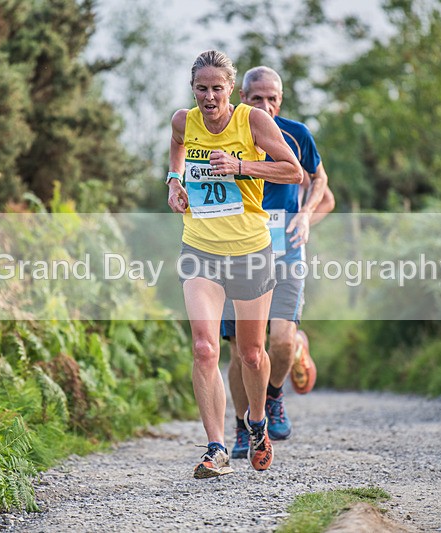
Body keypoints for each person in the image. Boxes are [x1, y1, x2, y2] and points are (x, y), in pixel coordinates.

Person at [166, 51, 303, 478]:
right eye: (201, 89)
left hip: (250, 249)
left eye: (216, 89)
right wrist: (174, 182)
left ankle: (257, 423)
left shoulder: (252, 121)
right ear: (193, 89)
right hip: (200, 248)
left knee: (251, 352)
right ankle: (216, 448)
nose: (209, 96)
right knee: (205, 347)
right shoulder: (182, 121)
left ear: (230, 89)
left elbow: (293, 171)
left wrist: (241, 166)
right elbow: (176, 149)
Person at [221, 66, 335, 459]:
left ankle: (271, 396)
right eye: (257, 99)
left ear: (281, 100)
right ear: (243, 98)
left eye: (273, 99)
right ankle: (240, 428)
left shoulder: (296, 134)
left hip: (285, 253)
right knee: (240, 349)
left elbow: (320, 182)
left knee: (281, 341)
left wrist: (305, 216)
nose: (266, 106)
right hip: (237, 253)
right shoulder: (228, 134)